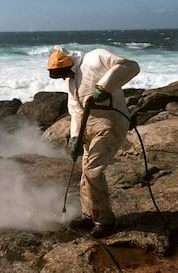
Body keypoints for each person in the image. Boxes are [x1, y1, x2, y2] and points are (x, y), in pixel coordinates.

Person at [48, 45, 140, 238]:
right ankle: (90, 214)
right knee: (85, 173)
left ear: (69, 64)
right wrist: (75, 137)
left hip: (110, 123)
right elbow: (75, 110)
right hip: (89, 127)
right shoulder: (71, 80)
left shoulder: (96, 57)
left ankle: (105, 221)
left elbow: (131, 66)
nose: (66, 78)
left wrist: (104, 86)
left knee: (93, 171)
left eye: (65, 73)